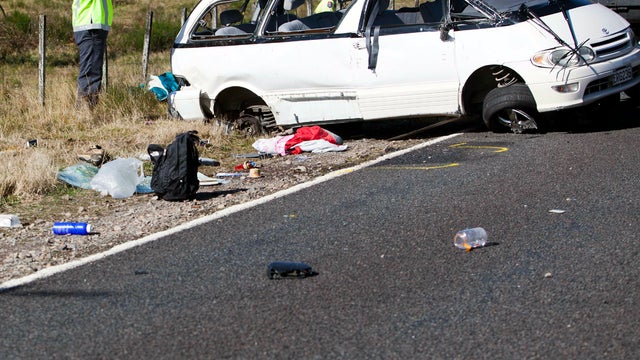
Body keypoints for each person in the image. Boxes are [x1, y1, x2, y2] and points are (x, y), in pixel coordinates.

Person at [72, 0, 113, 109]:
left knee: (91, 68)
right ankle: (85, 110)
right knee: (91, 70)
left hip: (89, 23)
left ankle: (86, 108)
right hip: (91, 23)